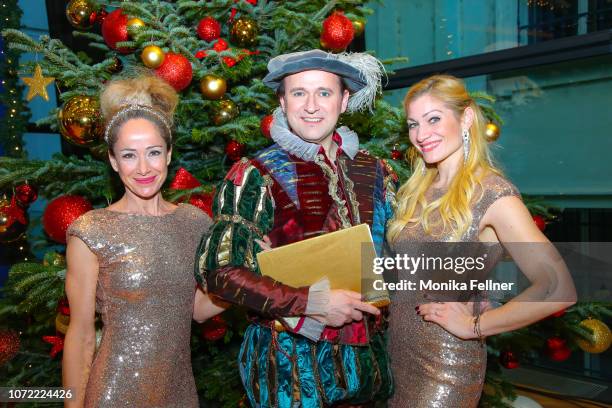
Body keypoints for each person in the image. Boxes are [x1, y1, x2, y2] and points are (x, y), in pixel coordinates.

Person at [196, 49, 396, 407]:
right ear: (282, 101)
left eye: (324, 92)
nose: (311, 106)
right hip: (291, 373)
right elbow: (220, 272)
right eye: (299, 93)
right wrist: (313, 302)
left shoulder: (376, 171)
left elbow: (397, 257)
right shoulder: (254, 174)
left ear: (344, 99)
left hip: (368, 371)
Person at [386, 74, 576, 407]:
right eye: (414, 123)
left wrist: (476, 325)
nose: (421, 134)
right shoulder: (418, 190)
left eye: (434, 119)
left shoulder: (492, 193)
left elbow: (558, 288)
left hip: (445, 370)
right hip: (399, 361)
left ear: (466, 118)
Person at [62, 75, 224, 408]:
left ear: (168, 154)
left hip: (178, 393)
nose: (143, 168)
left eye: (153, 152)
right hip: (114, 393)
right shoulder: (91, 231)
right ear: (113, 160)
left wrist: (246, 277)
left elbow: (198, 309)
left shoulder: (195, 223)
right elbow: (79, 336)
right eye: (129, 155)